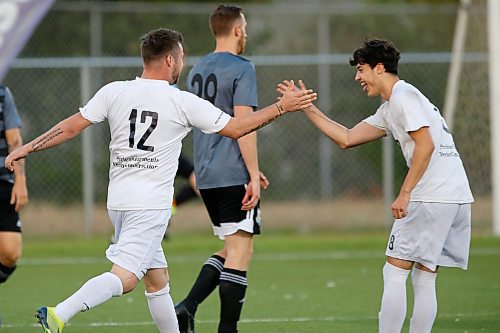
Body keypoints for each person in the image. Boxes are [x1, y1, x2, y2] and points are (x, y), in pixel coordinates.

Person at [4, 28, 316, 333]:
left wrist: (27, 148)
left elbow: (70, 127)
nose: (183, 63)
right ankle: (60, 314)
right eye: (181, 57)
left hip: (120, 203)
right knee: (125, 279)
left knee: (157, 281)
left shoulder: (115, 91)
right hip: (150, 207)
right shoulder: (180, 101)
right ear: (169, 60)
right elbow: (236, 128)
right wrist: (281, 107)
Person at [279, 38, 473, 333]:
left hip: (430, 197)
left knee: (394, 272)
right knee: (424, 276)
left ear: (379, 68)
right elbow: (346, 137)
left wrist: (404, 194)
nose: (358, 77)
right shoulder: (393, 105)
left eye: (361, 70)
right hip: (455, 195)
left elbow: (425, 144)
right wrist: (307, 107)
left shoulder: (402, 97)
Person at [174, 5, 269, 333]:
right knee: (240, 252)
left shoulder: (196, 70)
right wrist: (252, 173)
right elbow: (243, 125)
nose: (246, 33)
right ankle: (227, 329)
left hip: (208, 173)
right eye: (245, 27)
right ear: (237, 30)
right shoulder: (243, 67)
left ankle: (187, 307)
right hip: (232, 173)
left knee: (232, 247)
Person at [0, 85, 28, 326]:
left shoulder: (2, 92)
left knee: (10, 252)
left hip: (2, 180)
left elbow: (14, 139)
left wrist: (20, 180)